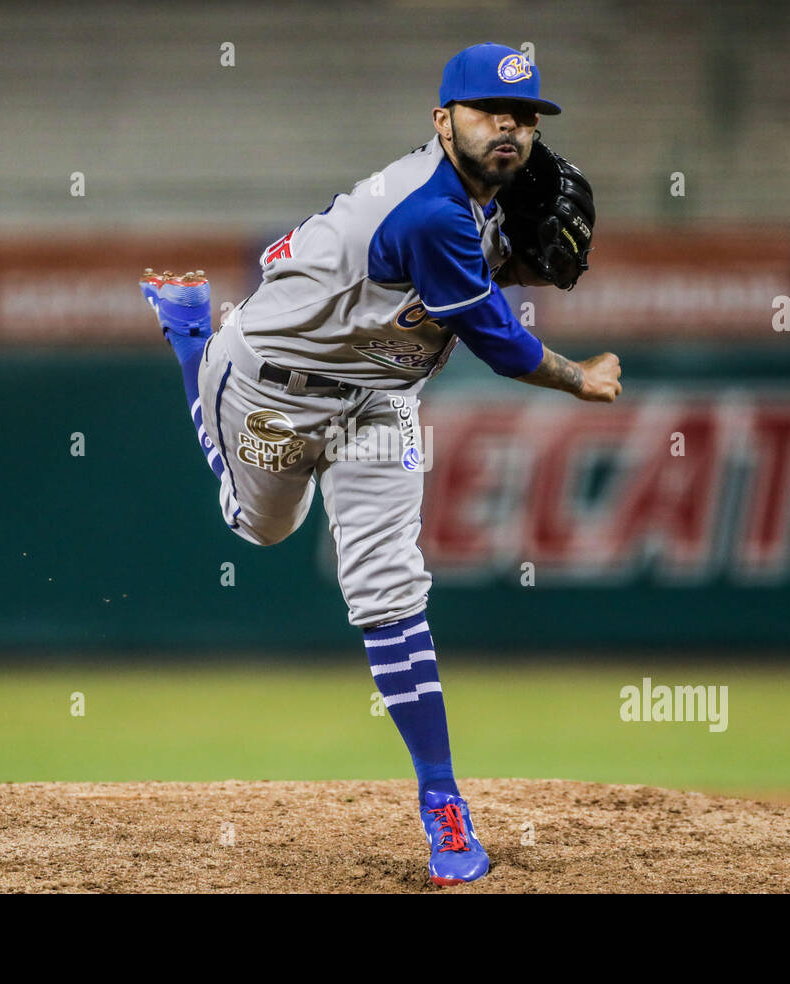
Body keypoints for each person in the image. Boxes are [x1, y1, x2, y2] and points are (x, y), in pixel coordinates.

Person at [141, 42, 620, 886]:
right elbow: (503, 347)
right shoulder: (433, 212)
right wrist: (581, 378)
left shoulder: (485, 203)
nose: (509, 128)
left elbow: (506, 270)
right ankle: (190, 339)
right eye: (488, 112)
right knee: (260, 527)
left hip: (378, 401)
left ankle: (444, 807)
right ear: (443, 121)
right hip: (270, 388)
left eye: (524, 118)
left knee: (388, 585)